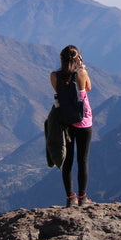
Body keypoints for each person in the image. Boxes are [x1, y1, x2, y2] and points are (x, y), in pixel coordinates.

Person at [50, 45, 93, 206]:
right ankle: (83, 198)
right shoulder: (81, 73)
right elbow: (88, 87)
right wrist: (81, 66)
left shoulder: (54, 76)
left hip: (65, 121)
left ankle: (70, 198)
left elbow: (59, 92)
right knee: (83, 160)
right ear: (77, 58)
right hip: (84, 121)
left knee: (67, 160)